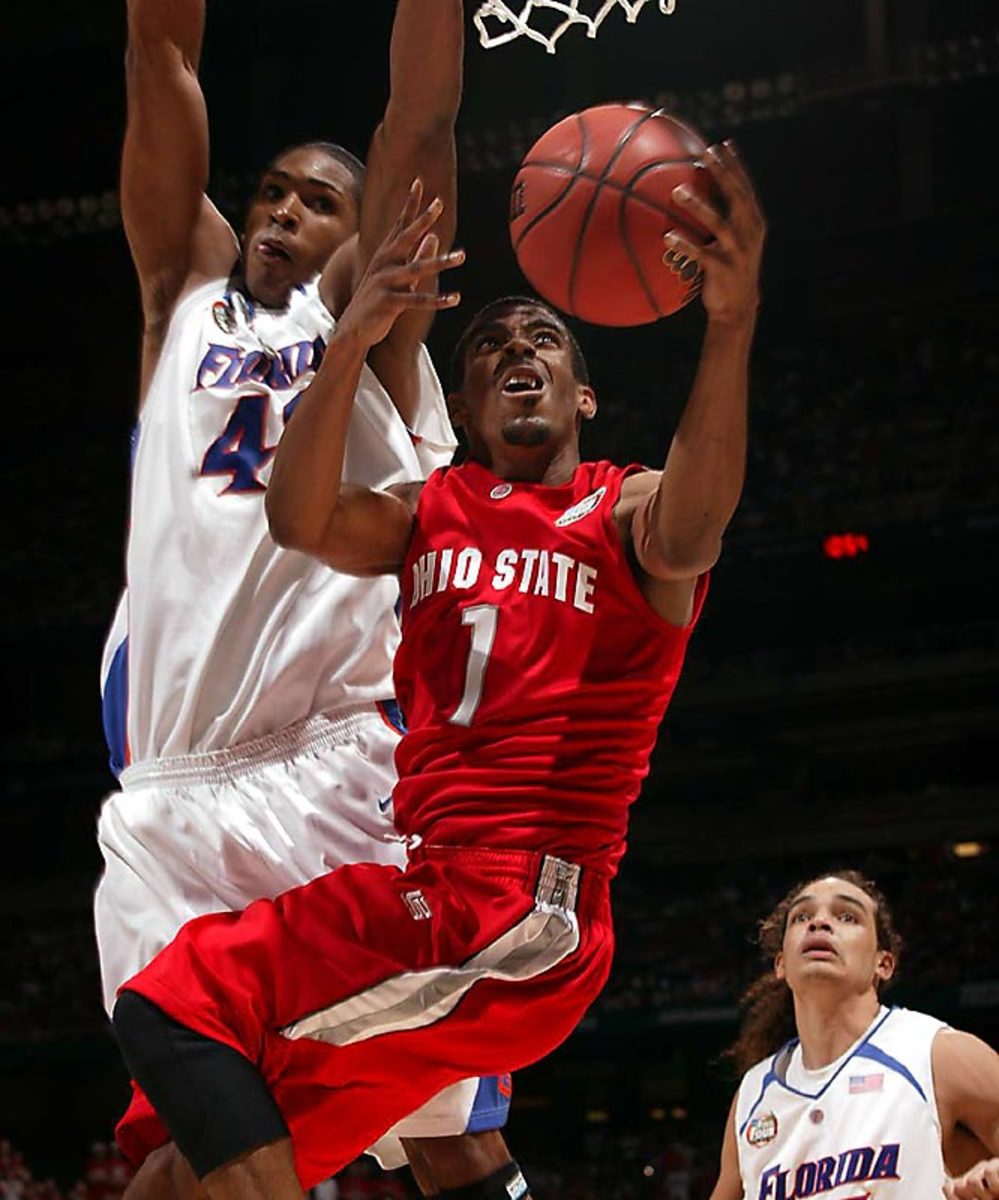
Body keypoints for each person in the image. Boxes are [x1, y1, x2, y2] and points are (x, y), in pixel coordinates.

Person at [109, 136, 765, 1197]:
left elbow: (695, 534)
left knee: (172, 1004)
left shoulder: (623, 507)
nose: (517, 346)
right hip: (434, 885)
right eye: (491, 345)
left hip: (520, 905)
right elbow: (300, 514)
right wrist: (354, 333)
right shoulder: (432, 508)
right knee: (179, 1160)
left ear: (582, 397)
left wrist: (728, 325)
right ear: (463, 411)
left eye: (543, 338)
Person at [96, 0, 522, 1193]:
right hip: (167, 798)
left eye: (320, 200)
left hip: (338, 769)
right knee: (190, 1145)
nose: (284, 209)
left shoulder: (375, 337)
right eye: (273, 191)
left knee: (447, 1131)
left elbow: (419, 120)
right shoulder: (179, 302)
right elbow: (159, 56)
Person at [706, 870, 999, 1200]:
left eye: (847, 916)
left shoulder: (936, 1053)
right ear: (781, 965)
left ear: (883, 964)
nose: (819, 923)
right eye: (802, 917)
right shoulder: (753, 1095)